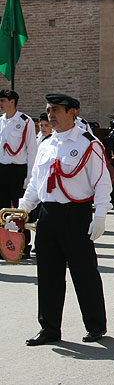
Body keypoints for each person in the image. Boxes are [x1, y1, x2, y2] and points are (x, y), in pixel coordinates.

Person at [17, 93, 112, 346]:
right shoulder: (45, 144)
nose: (51, 115)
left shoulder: (88, 144)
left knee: (84, 273)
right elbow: (36, 184)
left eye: (56, 110)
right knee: (47, 274)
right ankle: (49, 328)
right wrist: (22, 210)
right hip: (48, 215)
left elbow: (102, 182)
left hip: (76, 214)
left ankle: (95, 325)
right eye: (49, 110)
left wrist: (100, 215)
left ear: (73, 112)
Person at [0, 89, 38, 259]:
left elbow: (31, 150)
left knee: (20, 210)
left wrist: (29, 176)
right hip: (2, 169)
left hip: (18, 169)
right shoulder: (0, 121)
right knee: (1, 209)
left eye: (3, 100)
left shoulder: (25, 121)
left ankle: (23, 246)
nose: (1, 104)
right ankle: (3, 246)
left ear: (12, 101)